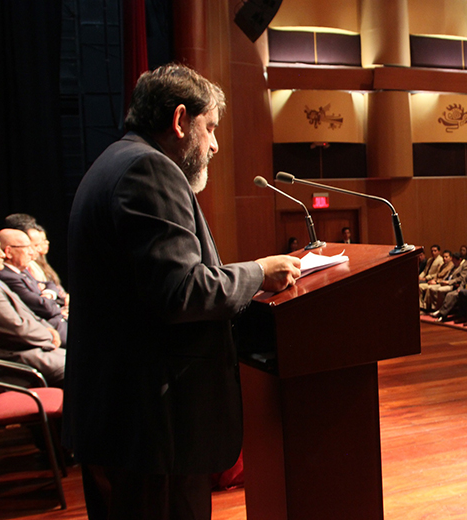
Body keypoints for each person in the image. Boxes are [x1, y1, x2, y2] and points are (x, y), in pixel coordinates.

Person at [64, 64, 302, 519]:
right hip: (152, 426)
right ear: (179, 120)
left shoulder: (114, 161)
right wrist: (257, 271)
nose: (214, 144)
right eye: (209, 128)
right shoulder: (149, 170)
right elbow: (181, 291)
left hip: (122, 418)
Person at [0, 225, 66, 385]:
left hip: (32, 351)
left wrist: (49, 329)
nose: (3, 255)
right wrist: (49, 336)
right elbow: (18, 328)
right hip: (18, 363)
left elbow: (28, 315)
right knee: (87, 367)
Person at [0, 228, 68, 345]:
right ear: (8, 252)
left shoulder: (22, 271)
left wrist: (49, 294)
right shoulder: (7, 276)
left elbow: (49, 284)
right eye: (26, 247)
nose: (32, 252)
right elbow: (44, 308)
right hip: (51, 330)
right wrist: (55, 306)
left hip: (59, 322)